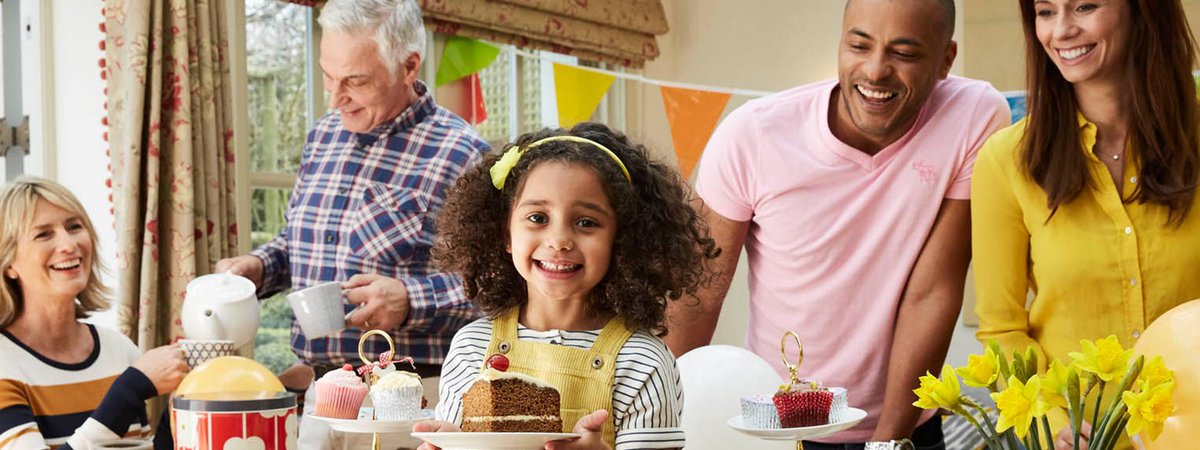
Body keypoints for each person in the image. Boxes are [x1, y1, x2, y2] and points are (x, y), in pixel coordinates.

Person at [663, 0, 1011, 448]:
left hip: (907, 425)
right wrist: (663, 427)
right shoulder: (751, 134)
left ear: (946, 59)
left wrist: (890, 440)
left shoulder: (974, 115)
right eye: (859, 45)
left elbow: (934, 289)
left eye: (903, 53)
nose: (876, 70)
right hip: (781, 428)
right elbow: (698, 296)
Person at [214, 0, 489, 447]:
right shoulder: (322, 136)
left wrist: (409, 299)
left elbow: (499, 282)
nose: (334, 96)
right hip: (321, 400)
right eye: (327, 74)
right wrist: (259, 266)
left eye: (354, 80)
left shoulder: (463, 154)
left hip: (411, 404)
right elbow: (299, 243)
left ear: (408, 65)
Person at [972, 1, 1200, 449]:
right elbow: (1002, 330)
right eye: (1044, 11)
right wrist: (1054, 420)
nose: (1061, 30)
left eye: (1085, 6)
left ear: (1142, 11)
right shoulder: (1005, 162)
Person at [412, 122, 717, 450]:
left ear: (623, 241)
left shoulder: (642, 361)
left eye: (586, 222)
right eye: (538, 218)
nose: (558, 241)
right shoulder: (472, 348)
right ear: (505, 234)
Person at [0, 176, 189, 450]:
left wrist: (178, 413)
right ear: (8, 264)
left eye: (74, 227)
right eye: (43, 234)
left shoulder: (118, 349)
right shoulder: (4, 362)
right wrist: (131, 389)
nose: (68, 244)